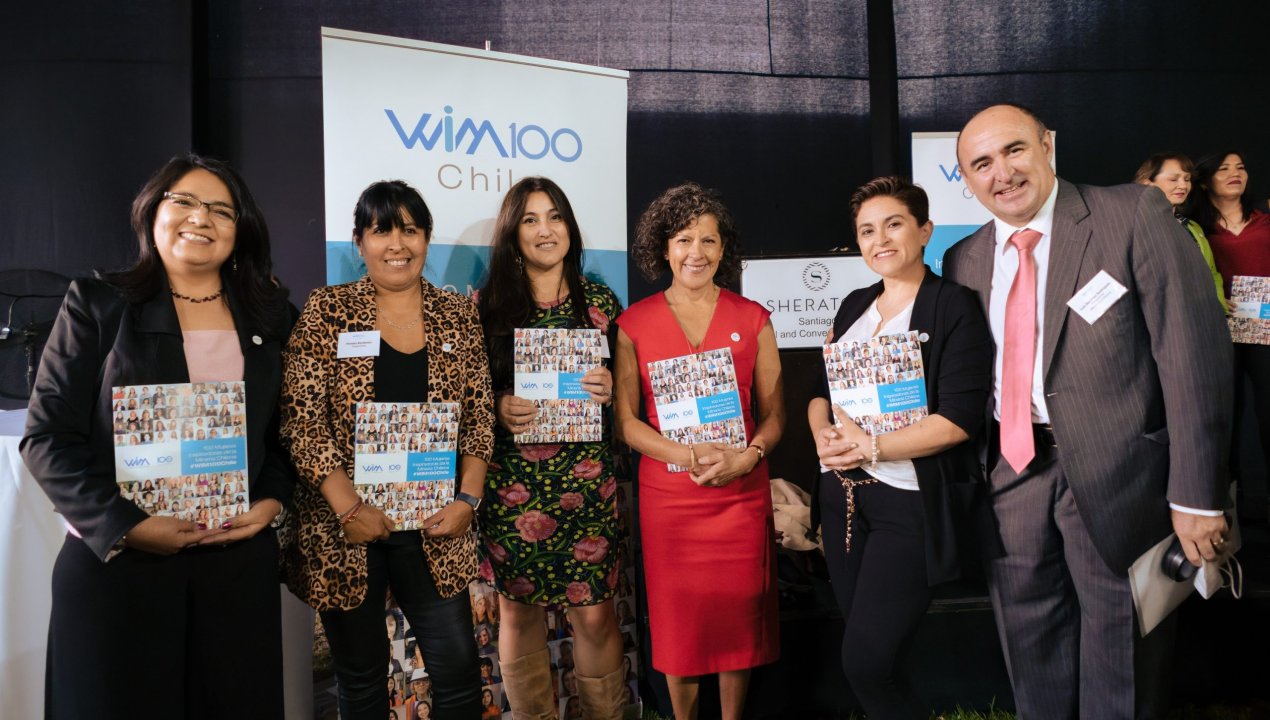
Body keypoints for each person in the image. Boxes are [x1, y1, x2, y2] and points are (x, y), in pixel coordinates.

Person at [944, 104, 1233, 719]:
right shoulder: (963, 258)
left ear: (1047, 145)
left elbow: (1192, 356)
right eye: (981, 163)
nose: (1002, 173)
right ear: (966, 179)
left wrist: (1197, 495)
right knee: (1028, 640)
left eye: (1015, 150)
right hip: (1011, 474)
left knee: (1120, 646)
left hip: (1121, 473)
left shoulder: (1131, 213)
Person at [21, 154, 295, 718]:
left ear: (240, 229)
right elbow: (47, 438)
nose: (201, 218)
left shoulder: (272, 318)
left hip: (233, 567)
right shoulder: (98, 303)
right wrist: (127, 525)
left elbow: (289, 434)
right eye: (184, 201)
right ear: (152, 212)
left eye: (221, 209)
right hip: (120, 568)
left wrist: (271, 501)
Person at [280, 180, 493, 719]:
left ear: (426, 238)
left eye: (410, 230)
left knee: (460, 674)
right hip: (345, 527)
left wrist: (468, 501)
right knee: (361, 679)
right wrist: (349, 509)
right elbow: (302, 421)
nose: (397, 244)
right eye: (382, 231)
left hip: (436, 526)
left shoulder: (457, 314)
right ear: (360, 242)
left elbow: (478, 420)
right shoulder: (327, 310)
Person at [809, 177, 994, 718]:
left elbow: (959, 420)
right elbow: (821, 393)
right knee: (875, 658)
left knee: (866, 664)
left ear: (925, 231)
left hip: (909, 503)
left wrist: (871, 447)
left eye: (893, 225)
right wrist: (821, 432)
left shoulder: (952, 306)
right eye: (867, 230)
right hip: (842, 498)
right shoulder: (854, 305)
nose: (880, 240)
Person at [614, 182, 784, 720]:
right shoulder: (633, 324)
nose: (696, 252)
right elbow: (626, 423)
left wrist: (747, 458)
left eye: (708, 240)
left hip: (740, 493)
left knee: (738, 623)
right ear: (664, 248)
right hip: (670, 498)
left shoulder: (753, 318)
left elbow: (774, 416)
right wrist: (689, 457)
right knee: (679, 626)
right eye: (684, 239)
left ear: (723, 248)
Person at [476, 177, 626, 719]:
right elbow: (467, 397)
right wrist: (498, 406)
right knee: (517, 614)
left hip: (587, 487)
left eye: (555, 216)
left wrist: (610, 388)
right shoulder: (486, 308)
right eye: (531, 219)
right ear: (512, 233)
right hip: (512, 489)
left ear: (570, 227)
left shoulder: (601, 303)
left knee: (595, 616)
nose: (545, 229)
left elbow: (630, 399)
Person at [1191, 151, 1270, 503]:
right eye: (1223, 169)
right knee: (1224, 416)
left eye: (1240, 167)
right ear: (1205, 180)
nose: (1235, 173)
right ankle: (1228, 507)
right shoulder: (1195, 225)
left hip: (1266, 329)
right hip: (1218, 330)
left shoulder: (1264, 216)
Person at [1133, 152, 1228, 311]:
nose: (1183, 185)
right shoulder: (1134, 227)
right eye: (1173, 179)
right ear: (1147, 183)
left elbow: (1211, 273)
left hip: (1200, 315)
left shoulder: (1192, 227)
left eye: (1187, 179)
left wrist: (1218, 306)